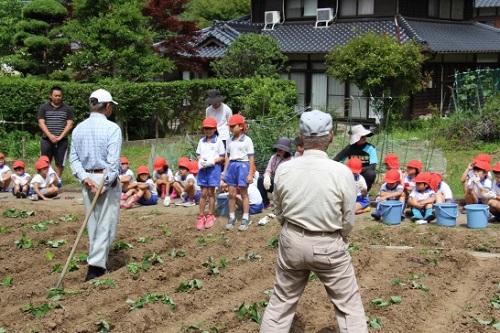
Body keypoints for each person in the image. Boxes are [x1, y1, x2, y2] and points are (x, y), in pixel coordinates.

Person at [260, 110, 368, 333]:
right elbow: (348, 218)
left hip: (292, 241)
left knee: (280, 304)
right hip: (328, 243)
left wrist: (291, 230)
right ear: (330, 135)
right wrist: (341, 238)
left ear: (300, 137)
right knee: (349, 308)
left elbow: (278, 211)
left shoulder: (284, 169)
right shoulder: (342, 172)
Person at [69, 88, 121, 282]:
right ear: (107, 107)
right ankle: (96, 268)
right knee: (106, 224)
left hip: (88, 179)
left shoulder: (78, 129)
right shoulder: (112, 128)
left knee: (93, 223)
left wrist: (85, 179)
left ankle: (98, 261)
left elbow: (73, 160)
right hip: (105, 179)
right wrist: (104, 184)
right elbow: (113, 162)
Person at [223, 114, 255, 232]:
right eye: (230, 126)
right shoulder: (229, 141)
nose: (231, 128)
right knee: (231, 194)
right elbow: (228, 157)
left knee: (243, 193)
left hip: (243, 166)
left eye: (233, 126)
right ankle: (232, 217)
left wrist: (250, 173)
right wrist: (224, 172)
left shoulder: (247, 140)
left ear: (241, 126)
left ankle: (246, 217)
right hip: (232, 166)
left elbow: (251, 158)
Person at [38, 86, 75, 177]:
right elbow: (41, 123)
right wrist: (50, 135)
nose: (58, 97)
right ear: (51, 96)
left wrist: (60, 137)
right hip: (47, 140)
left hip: (62, 141)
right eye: (55, 95)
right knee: (44, 162)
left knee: (59, 162)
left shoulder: (67, 109)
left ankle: (56, 182)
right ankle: (44, 182)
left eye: (59, 96)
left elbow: (70, 124)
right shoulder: (44, 108)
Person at [196, 117, 226, 230]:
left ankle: (210, 215)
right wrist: (201, 160)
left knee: (211, 192)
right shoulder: (201, 141)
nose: (208, 131)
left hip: (214, 169)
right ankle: (201, 215)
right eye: (206, 129)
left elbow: (222, 157)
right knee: (203, 193)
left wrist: (212, 161)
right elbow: (198, 154)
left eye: (210, 128)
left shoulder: (218, 141)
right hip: (203, 169)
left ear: (214, 129)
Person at [333, 124, 377, 191]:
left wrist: (359, 170)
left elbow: (373, 166)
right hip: (351, 172)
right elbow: (336, 159)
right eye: (361, 136)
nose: (364, 137)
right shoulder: (350, 148)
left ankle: (364, 192)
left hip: (364, 172)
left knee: (371, 174)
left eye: (364, 136)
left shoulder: (371, 148)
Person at [257, 137, 292, 209]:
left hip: (285, 185)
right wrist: (267, 177)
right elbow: (268, 170)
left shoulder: (291, 160)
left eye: (281, 149)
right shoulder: (274, 158)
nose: (278, 150)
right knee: (260, 179)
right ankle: (265, 203)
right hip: (275, 183)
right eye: (278, 149)